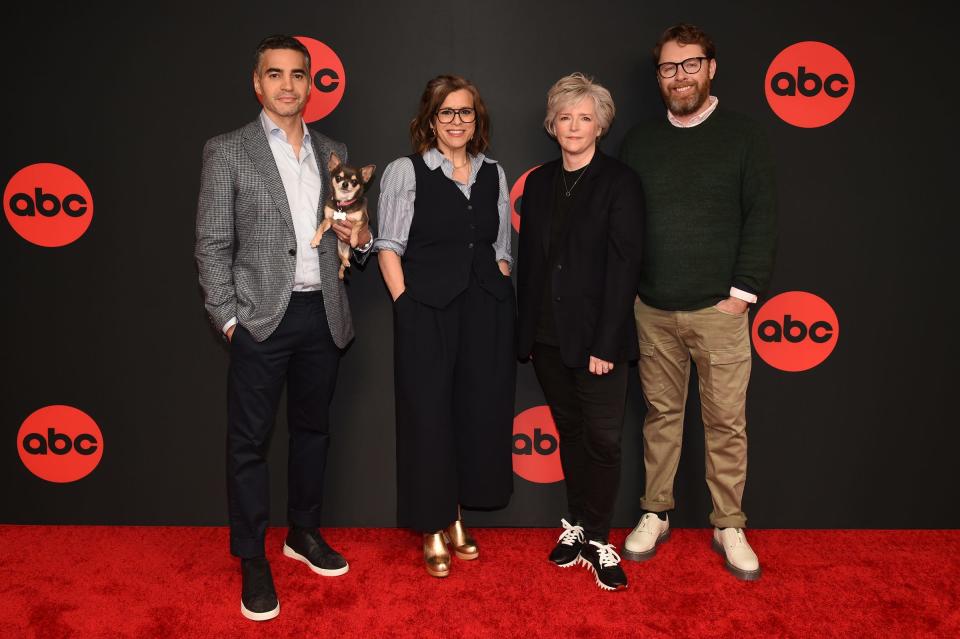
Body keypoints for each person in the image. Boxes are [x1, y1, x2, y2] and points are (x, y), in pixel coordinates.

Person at [195, 35, 373, 621]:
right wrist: (228, 320)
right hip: (260, 319)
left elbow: (350, 234)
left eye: (299, 75)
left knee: (312, 432)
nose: (289, 85)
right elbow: (213, 243)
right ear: (258, 83)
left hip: (323, 313)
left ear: (310, 83)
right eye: (276, 75)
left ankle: (303, 533)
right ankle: (252, 556)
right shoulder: (228, 150)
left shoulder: (333, 149)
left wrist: (360, 241)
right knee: (248, 445)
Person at [620, 23, 777, 581]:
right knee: (661, 417)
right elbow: (623, 224)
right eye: (668, 68)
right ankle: (655, 511)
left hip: (720, 310)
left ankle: (727, 523)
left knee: (726, 422)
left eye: (690, 65)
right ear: (658, 77)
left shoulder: (744, 136)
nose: (679, 76)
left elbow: (762, 215)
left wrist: (741, 294)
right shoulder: (638, 142)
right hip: (652, 309)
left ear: (711, 67)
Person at [374, 75, 515, 578]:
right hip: (427, 310)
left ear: (477, 120)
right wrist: (405, 304)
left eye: (466, 113)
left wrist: (499, 288)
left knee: (474, 414)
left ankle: (456, 516)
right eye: (446, 112)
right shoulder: (404, 172)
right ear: (430, 120)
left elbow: (501, 249)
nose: (457, 121)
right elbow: (388, 245)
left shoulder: (494, 172)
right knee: (428, 416)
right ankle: (432, 525)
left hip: (485, 311)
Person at [516, 73, 643, 591]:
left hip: (599, 342)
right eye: (565, 117)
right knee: (570, 432)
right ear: (552, 124)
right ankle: (577, 528)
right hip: (547, 339)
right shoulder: (542, 181)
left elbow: (625, 265)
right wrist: (524, 333)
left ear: (601, 126)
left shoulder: (620, 182)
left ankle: (598, 538)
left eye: (585, 117)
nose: (574, 126)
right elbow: (531, 262)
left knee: (604, 442)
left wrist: (605, 343)